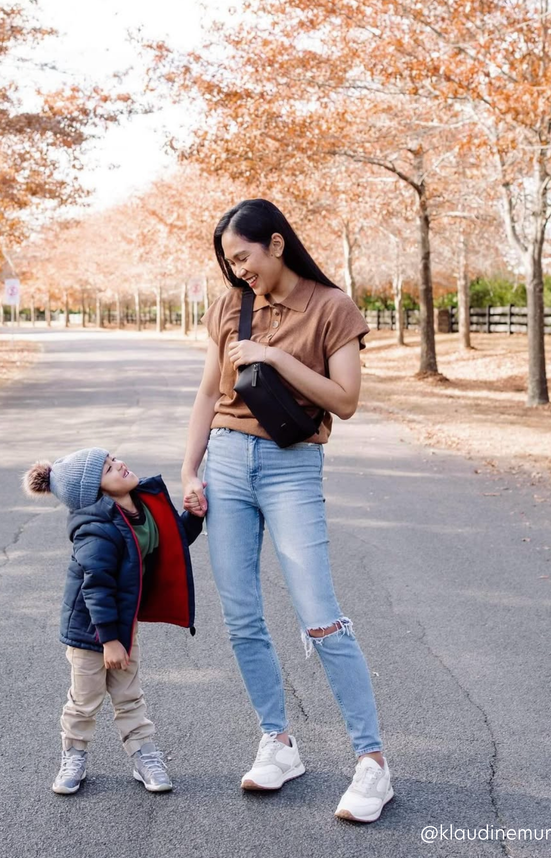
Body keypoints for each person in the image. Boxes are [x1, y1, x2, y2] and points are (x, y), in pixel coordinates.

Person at [181, 198, 393, 823]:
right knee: (242, 615)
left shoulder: (333, 307)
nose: (236, 269)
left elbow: (346, 400)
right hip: (224, 459)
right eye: (228, 261)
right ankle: (277, 741)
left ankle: (373, 763)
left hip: (291, 466)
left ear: (276, 244)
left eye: (242, 256)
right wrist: (190, 469)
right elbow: (205, 393)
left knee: (319, 614)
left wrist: (274, 357)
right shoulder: (228, 306)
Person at [23, 449, 202, 795]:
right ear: (96, 492)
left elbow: (170, 540)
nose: (119, 464)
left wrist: (192, 518)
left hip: (122, 626)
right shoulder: (95, 528)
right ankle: (74, 754)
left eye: (113, 458)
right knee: (85, 700)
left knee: (129, 695)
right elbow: (97, 587)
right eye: (108, 468)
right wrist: (109, 640)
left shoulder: (140, 507)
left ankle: (144, 755)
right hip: (92, 632)